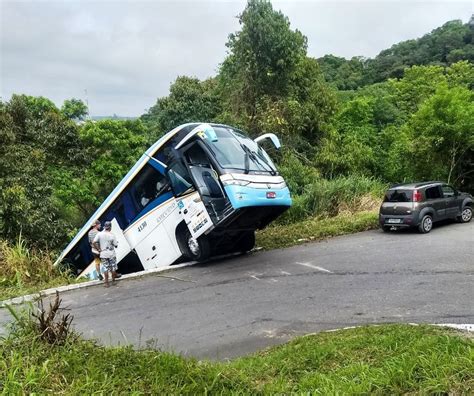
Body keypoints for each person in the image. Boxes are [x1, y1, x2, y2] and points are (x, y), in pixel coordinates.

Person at [93, 221, 121, 287]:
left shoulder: (99, 234)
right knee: (113, 267)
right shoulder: (112, 235)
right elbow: (116, 245)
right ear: (110, 227)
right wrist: (115, 243)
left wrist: (98, 249)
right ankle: (113, 281)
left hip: (103, 254)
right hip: (111, 254)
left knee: (105, 268)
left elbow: (94, 242)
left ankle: (106, 283)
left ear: (105, 227)